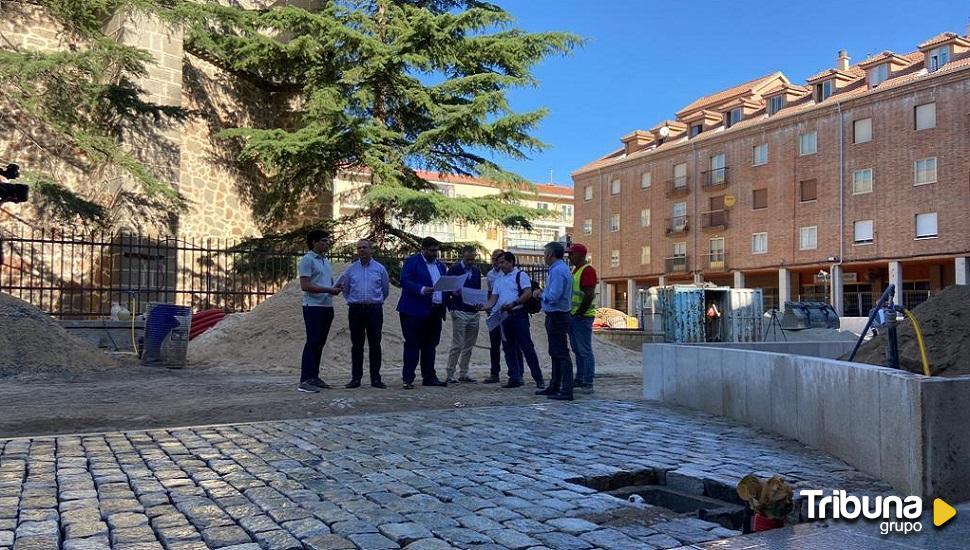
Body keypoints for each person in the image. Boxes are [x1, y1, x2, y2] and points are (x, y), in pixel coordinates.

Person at [483, 252, 544, 389]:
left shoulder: (520, 275)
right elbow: (493, 298)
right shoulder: (498, 280)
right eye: (499, 262)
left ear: (511, 262)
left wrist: (514, 303)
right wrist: (483, 306)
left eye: (503, 262)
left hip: (518, 314)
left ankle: (538, 378)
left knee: (526, 347)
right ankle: (514, 377)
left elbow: (527, 293)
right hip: (504, 316)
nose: (500, 265)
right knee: (508, 348)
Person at [335, 239, 389, 389]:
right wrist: (354, 301)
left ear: (371, 250)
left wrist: (374, 301)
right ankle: (356, 378)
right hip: (356, 310)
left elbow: (385, 290)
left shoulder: (380, 269)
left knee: (375, 344)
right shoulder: (350, 269)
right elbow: (344, 289)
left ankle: (376, 379)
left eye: (365, 247)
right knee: (357, 345)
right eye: (359, 248)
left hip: (374, 310)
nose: (362, 250)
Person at [397, 236, 449, 389]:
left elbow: (442, 284)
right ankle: (408, 378)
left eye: (436, 251)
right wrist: (421, 289)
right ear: (423, 249)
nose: (435, 254)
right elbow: (405, 281)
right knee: (413, 344)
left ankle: (429, 377)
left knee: (430, 345)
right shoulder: (412, 262)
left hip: (434, 311)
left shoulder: (440, 265)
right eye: (432, 251)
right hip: (414, 311)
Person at [297, 229, 342, 393]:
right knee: (313, 341)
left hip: (326, 306)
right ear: (314, 242)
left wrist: (334, 288)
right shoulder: (307, 260)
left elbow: (325, 284)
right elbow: (305, 286)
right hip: (313, 306)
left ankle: (314, 377)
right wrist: (329, 290)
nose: (327, 243)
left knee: (319, 343)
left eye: (327, 241)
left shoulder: (325, 261)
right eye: (323, 240)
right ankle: (305, 380)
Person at [538, 241, 575, 401]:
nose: (544, 256)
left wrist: (539, 294)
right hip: (557, 315)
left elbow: (554, 295)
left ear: (550, 254)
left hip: (558, 315)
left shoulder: (559, 271)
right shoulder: (558, 269)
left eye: (545, 253)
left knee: (560, 353)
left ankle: (566, 389)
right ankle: (555, 385)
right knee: (555, 352)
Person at [444, 245, 482, 384]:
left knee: (469, 345)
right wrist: (450, 305)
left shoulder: (477, 271)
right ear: (463, 256)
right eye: (468, 259)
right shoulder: (455, 269)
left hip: (473, 310)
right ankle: (450, 373)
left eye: (472, 259)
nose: (471, 262)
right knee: (458, 343)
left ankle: (463, 373)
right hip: (459, 309)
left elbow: (477, 291)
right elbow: (446, 287)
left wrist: (479, 304)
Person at [567, 243, 598, 393]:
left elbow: (589, 294)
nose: (569, 256)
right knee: (578, 349)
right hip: (575, 315)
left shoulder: (587, 271)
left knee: (584, 350)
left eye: (572, 253)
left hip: (582, 316)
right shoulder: (576, 271)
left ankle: (587, 381)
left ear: (580, 255)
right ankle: (580, 378)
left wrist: (579, 313)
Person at [482, 249, 506, 384]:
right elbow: (490, 292)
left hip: (507, 311)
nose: (495, 261)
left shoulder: (508, 273)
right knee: (494, 345)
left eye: (498, 258)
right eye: (493, 259)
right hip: (494, 313)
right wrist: (488, 307)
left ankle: (516, 372)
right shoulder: (490, 274)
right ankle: (494, 373)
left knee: (511, 344)